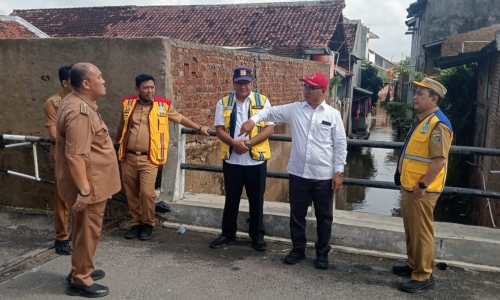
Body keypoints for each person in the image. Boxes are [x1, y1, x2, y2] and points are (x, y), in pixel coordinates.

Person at [239, 72, 347, 269]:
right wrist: (252, 121)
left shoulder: (333, 115)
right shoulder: (295, 110)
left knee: (324, 217)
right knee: (297, 215)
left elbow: (340, 145)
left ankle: (322, 252)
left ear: (323, 91)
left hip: (323, 176)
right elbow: (268, 112)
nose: (306, 91)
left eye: (311, 87)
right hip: (298, 173)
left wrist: (338, 172)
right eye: (305, 87)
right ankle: (298, 249)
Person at [114, 74, 210, 241]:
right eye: (146, 88)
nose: (150, 90)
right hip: (128, 156)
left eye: (152, 87)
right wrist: (115, 144)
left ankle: (148, 224)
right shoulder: (127, 103)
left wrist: (199, 127)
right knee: (131, 192)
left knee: (146, 193)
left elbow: (180, 118)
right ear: (137, 89)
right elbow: (122, 125)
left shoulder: (163, 105)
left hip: (149, 157)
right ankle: (135, 223)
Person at [55, 62, 121, 298]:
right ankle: (81, 279)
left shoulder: (77, 102)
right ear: (86, 84)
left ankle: (81, 269)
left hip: (92, 181)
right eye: (100, 77)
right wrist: (84, 191)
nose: (103, 81)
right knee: (87, 231)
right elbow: (75, 155)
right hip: (89, 184)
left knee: (83, 230)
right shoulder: (79, 110)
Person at [392, 77, 452, 293]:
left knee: (421, 232)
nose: (415, 97)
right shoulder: (423, 119)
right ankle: (413, 266)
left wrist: (423, 185)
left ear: (434, 99)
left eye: (420, 94)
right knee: (412, 230)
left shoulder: (438, 125)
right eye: (415, 93)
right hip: (411, 186)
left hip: (422, 189)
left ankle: (423, 275)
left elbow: (439, 161)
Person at [210, 66, 274, 251]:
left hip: (255, 160)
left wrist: (248, 144)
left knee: (256, 199)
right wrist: (234, 143)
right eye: (239, 82)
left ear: (252, 83)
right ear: (233, 82)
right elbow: (219, 129)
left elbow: (269, 128)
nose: (242, 86)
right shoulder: (224, 102)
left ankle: (257, 236)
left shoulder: (263, 101)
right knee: (231, 198)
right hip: (232, 160)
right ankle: (228, 234)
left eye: (246, 82)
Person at [44, 65, 73, 255]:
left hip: (83, 156)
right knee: (63, 197)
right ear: (65, 82)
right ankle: (61, 237)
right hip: (63, 155)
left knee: (83, 196)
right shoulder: (53, 103)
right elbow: (54, 135)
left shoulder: (84, 101)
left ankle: (77, 234)